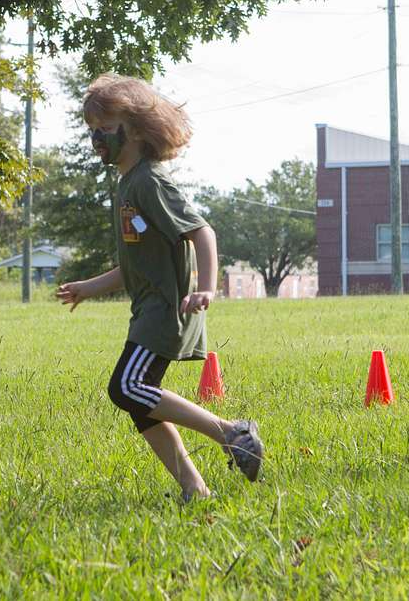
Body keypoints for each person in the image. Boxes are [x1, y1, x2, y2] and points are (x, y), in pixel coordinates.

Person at [56, 73, 263, 501]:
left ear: (133, 129)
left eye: (104, 127)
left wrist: (207, 288)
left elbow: (201, 232)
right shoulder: (127, 183)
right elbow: (131, 265)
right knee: (137, 399)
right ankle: (193, 486)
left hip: (168, 310)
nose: (96, 137)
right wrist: (87, 288)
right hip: (147, 310)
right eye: (91, 128)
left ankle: (230, 431)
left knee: (127, 388)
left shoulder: (150, 180)